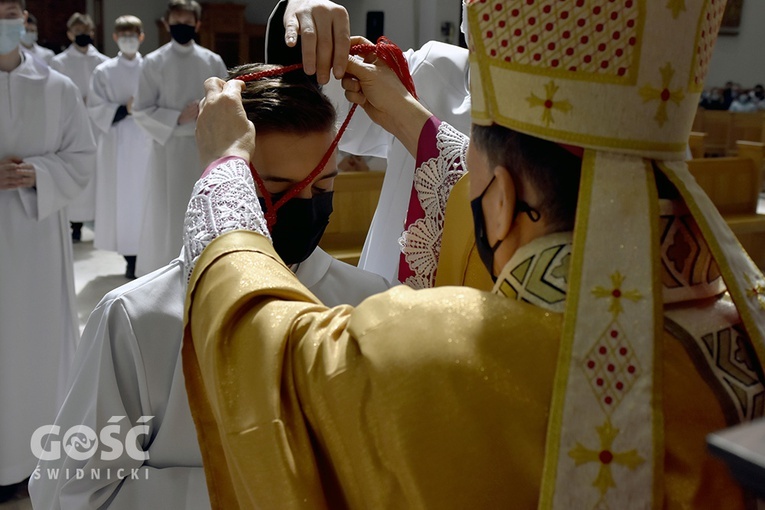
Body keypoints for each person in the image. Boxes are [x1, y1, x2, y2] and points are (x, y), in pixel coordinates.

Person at [179, 1, 765, 508]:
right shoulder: (746, 321)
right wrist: (412, 120)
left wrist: (227, 168)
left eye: (475, 162)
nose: (461, 169)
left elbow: (265, 355)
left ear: (503, 200)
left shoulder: (443, 348)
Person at [28, 63, 391, 510]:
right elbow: (69, 491)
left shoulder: (369, 301)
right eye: (278, 187)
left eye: (323, 186)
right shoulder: (137, 317)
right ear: (226, 183)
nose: (305, 204)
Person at [268, 0, 472, 286]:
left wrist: (407, 115)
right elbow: (330, 107)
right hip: (382, 293)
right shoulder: (435, 69)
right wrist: (306, 23)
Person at [0, 0, 96, 503]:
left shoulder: (55, 87)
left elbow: (81, 156)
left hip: (36, 239)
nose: (5, 20)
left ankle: (25, 458)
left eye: (11, 9)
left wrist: (38, 173)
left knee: (32, 342)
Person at [132, 0, 227, 278]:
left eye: (187, 22)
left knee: (201, 211)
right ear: (166, 23)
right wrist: (177, 117)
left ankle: (202, 271)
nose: (181, 27)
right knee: (167, 213)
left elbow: (226, 101)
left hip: (204, 149)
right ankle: (162, 273)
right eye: (176, 22)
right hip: (168, 150)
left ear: (197, 24)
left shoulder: (212, 61)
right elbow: (140, 109)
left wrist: (207, 110)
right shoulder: (153, 62)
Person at [88, 15, 151, 279]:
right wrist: (124, 109)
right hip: (118, 143)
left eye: (132, 34)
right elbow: (95, 107)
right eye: (122, 34)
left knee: (146, 198)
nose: (127, 38)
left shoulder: (151, 67)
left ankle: (148, 252)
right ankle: (130, 258)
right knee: (124, 201)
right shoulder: (104, 71)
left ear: (141, 37)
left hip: (148, 141)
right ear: (115, 37)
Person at [50, 12, 108, 242]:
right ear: (69, 33)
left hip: (98, 124)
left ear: (92, 32)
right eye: (78, 31)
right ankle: (74, 223)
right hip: (71, 123)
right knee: (74, 168)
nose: (82, 35)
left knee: (97, 173)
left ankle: (97, 222)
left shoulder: (102, 62)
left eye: (86, 31)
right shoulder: (59, 62)